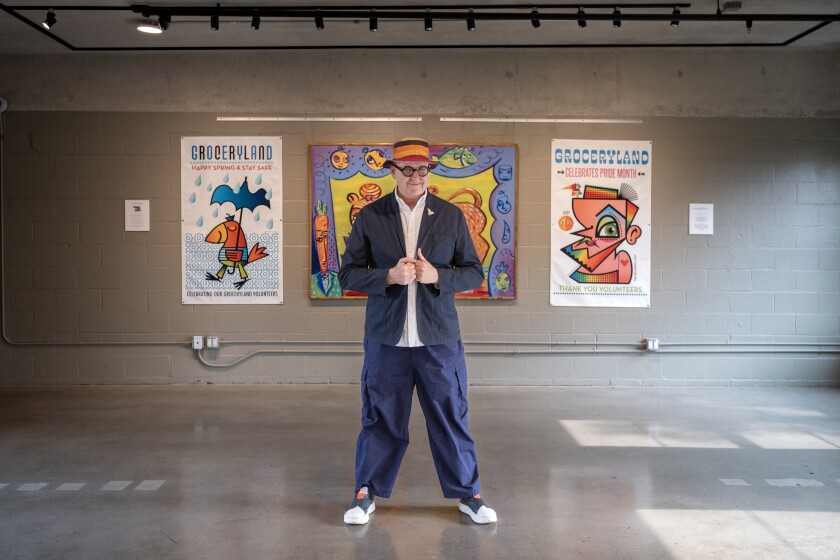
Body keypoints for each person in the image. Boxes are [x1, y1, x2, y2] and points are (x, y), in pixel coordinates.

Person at [338, 138, 497, 525]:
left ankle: (468, 494)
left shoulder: (449, 216)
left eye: (422, 168)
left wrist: (437, 275)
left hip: (438, 338)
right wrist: (387, 276)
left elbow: (475, 272)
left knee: (450, 416)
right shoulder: (372, 216)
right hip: (386, 338)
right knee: (381, 417)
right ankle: (366, 493)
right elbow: (347, 273)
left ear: (429, 171)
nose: (414, 176)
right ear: (392, 171)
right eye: (406, 169)